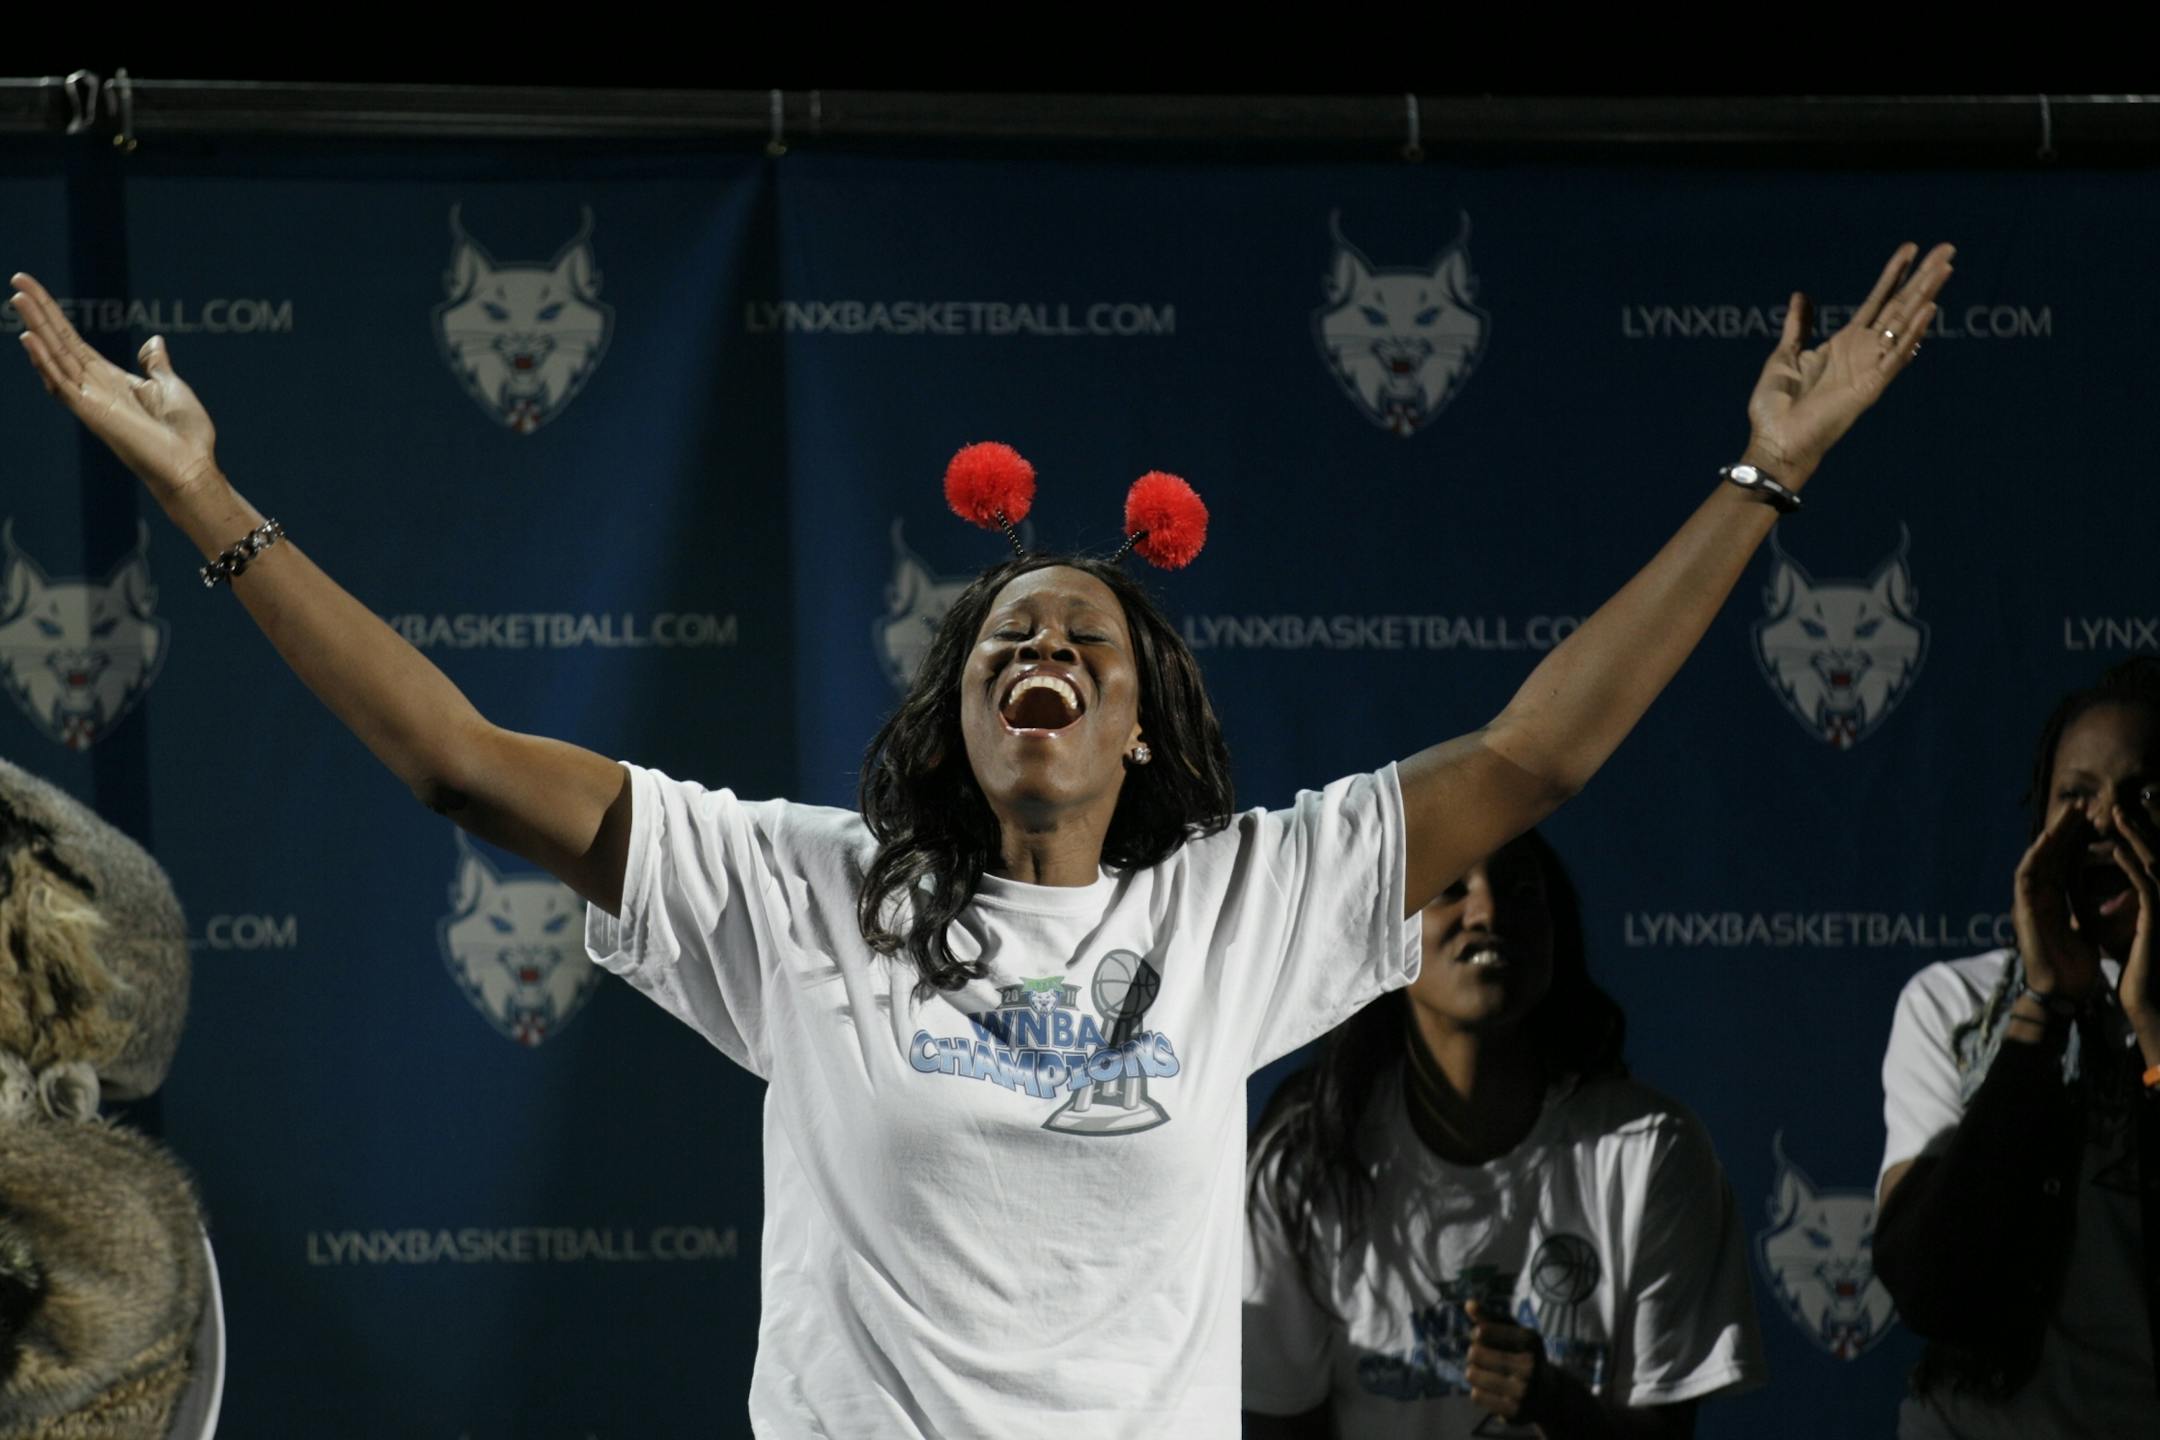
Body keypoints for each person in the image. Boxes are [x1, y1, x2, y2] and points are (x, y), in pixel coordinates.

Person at [8, 240, 1948, 1436]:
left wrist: (1768, 469)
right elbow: (452, 756)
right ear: (953, 709)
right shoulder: (804, 896)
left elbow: (1535, 756)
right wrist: (211, 500)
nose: (1041, 648)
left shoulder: (1239, 904)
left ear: (1141, 724)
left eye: (1085, 642)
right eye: (1005, 633)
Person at [1243, 831, 1763, 1438]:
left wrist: (1555, 1402)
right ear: (1384, 936)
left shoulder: (1651, 1148)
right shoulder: (1307, 1162)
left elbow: (1665, 1434)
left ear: (1556, 934)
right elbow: (1279, 1424)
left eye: (1521, 890)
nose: (1488, 912)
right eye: (1448, 889)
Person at [1875, 656, 2160, 1437]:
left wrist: (2153, 1022)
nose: (2105, 825)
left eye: (2144, 798)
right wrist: (2044, 1008)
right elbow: (1929, 1284)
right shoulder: (1955, 1003)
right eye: (2078, 797)